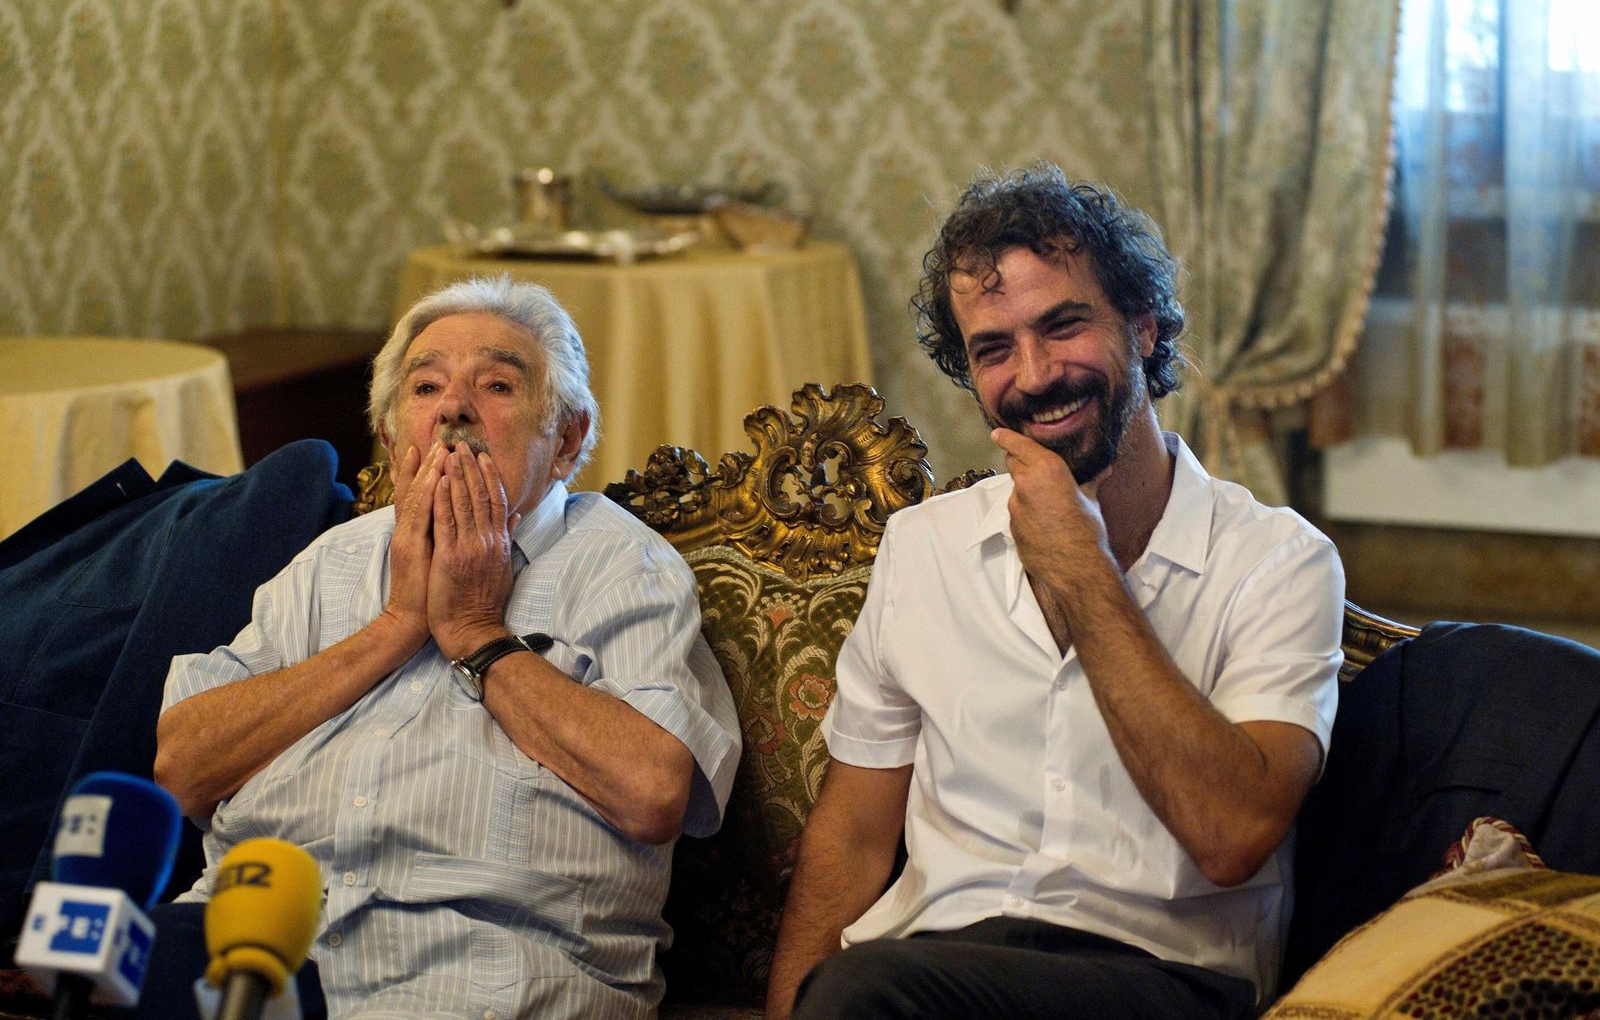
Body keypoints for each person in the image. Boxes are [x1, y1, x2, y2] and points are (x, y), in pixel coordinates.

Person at [765, 163, 1344, 1020]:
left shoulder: (1278, 560)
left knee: (868, 991)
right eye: (993, 349)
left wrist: (1084, 567)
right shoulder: (923, 548)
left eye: (1063, 326)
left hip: (1162, 981)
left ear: (1144, 329)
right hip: (933, 971)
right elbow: (849, 843)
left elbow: (1232, 833)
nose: (1033, 376)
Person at [148, 276, 740, 1020]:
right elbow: (180, 766)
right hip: (252, 942)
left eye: (496, 384)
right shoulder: (331, 560)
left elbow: (655, 790)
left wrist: (477, 635)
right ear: (395, 439)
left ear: (566, 439)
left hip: (477, 964)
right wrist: (394, 626)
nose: (455, 407)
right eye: (426, 387)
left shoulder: (624, 567)